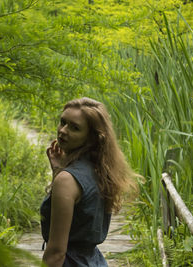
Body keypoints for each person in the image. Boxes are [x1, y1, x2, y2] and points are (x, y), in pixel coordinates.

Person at [40, 97, 136, 267]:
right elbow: (79, 215)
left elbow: (56, 253)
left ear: (91, 138)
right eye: (62, 122)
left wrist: (61, 175)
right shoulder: (101, 170)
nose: (62, 131)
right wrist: (58, 170)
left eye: (74, 128)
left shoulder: (68, 180)